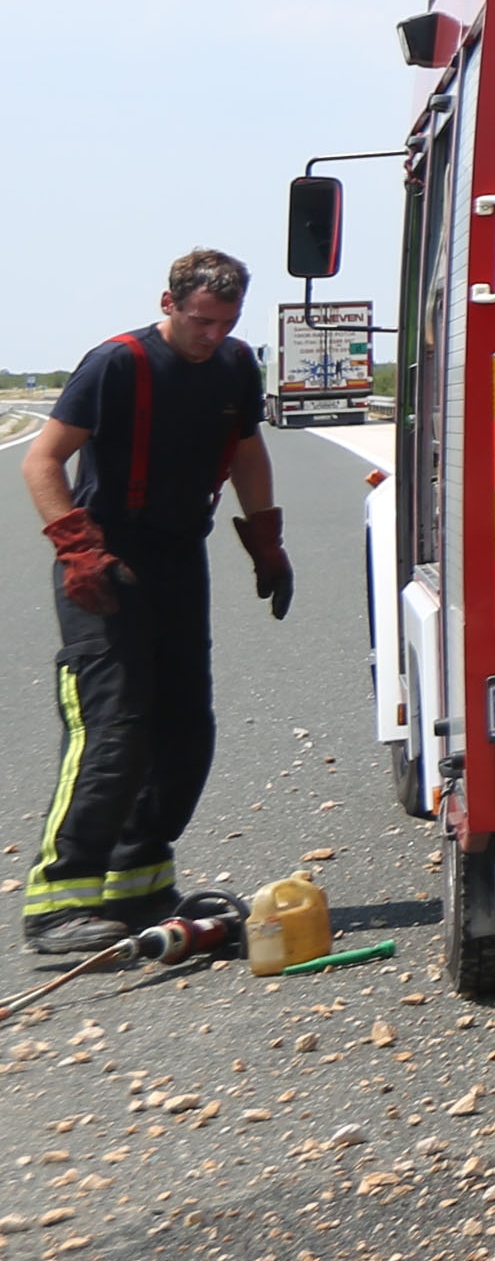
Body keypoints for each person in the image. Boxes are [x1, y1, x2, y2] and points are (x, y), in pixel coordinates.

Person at [20, 250, 289, 957]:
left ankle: (136, 881)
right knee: (114, 727)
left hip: (176, 558)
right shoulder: (115, 364)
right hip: (102, 562)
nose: (212, 335)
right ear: (168, 305)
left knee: (184, 728)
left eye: (226, 322)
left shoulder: (234, 366)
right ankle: (56, 903)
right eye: (201, 321)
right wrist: (78, 549)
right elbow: (41, 460)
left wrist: (267, 543)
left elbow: (246, 453)